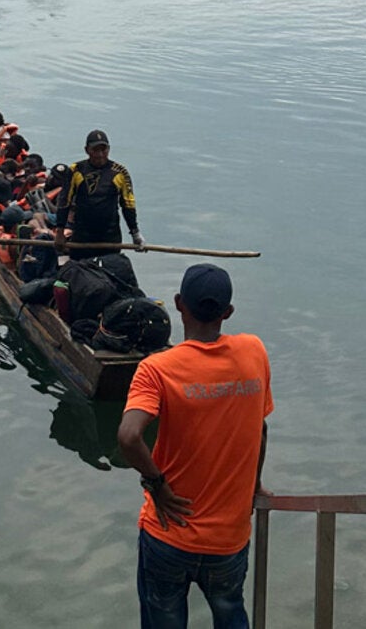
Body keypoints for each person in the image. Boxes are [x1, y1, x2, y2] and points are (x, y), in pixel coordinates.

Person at [116, 264, 271, 629]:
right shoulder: (254, 352)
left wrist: (156, 484)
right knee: (231, 611)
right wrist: (255, 487)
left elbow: (128, 436)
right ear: (227, 312)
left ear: (178, 304)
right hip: (228, 538)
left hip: (169, 532)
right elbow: (260, 429)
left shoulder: (157, 369)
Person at [54, 129, 144, 260]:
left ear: (109, 149)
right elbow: (64, 201)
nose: (100, 154)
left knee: (109, 275)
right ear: (87, 150)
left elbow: (128, 205)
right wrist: (60, 232)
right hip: (82, 237)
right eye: (95, 150)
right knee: (80, 274)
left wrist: (135, 234)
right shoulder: (76, 170)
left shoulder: (120, 172)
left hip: (109, 237)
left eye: (104, 150)